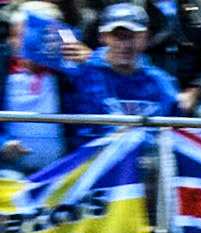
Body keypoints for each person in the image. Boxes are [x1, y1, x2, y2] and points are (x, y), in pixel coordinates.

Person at [70, 4, 178, 142]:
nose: (125, 45)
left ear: (145, 37)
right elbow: (79, 131)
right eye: (117, 36)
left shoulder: (160, 82)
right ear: (103, 36)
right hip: (97, 152)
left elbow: (171, 130)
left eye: (132, 36)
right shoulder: (84, 76)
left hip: (148, 152)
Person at [2, 2, 84, 173]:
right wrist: (2, 144)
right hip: (7, 173)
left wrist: (88, 64)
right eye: (24, 33)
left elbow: (87, 120)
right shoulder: (2, 69)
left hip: (61, 174)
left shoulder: (69, 74)